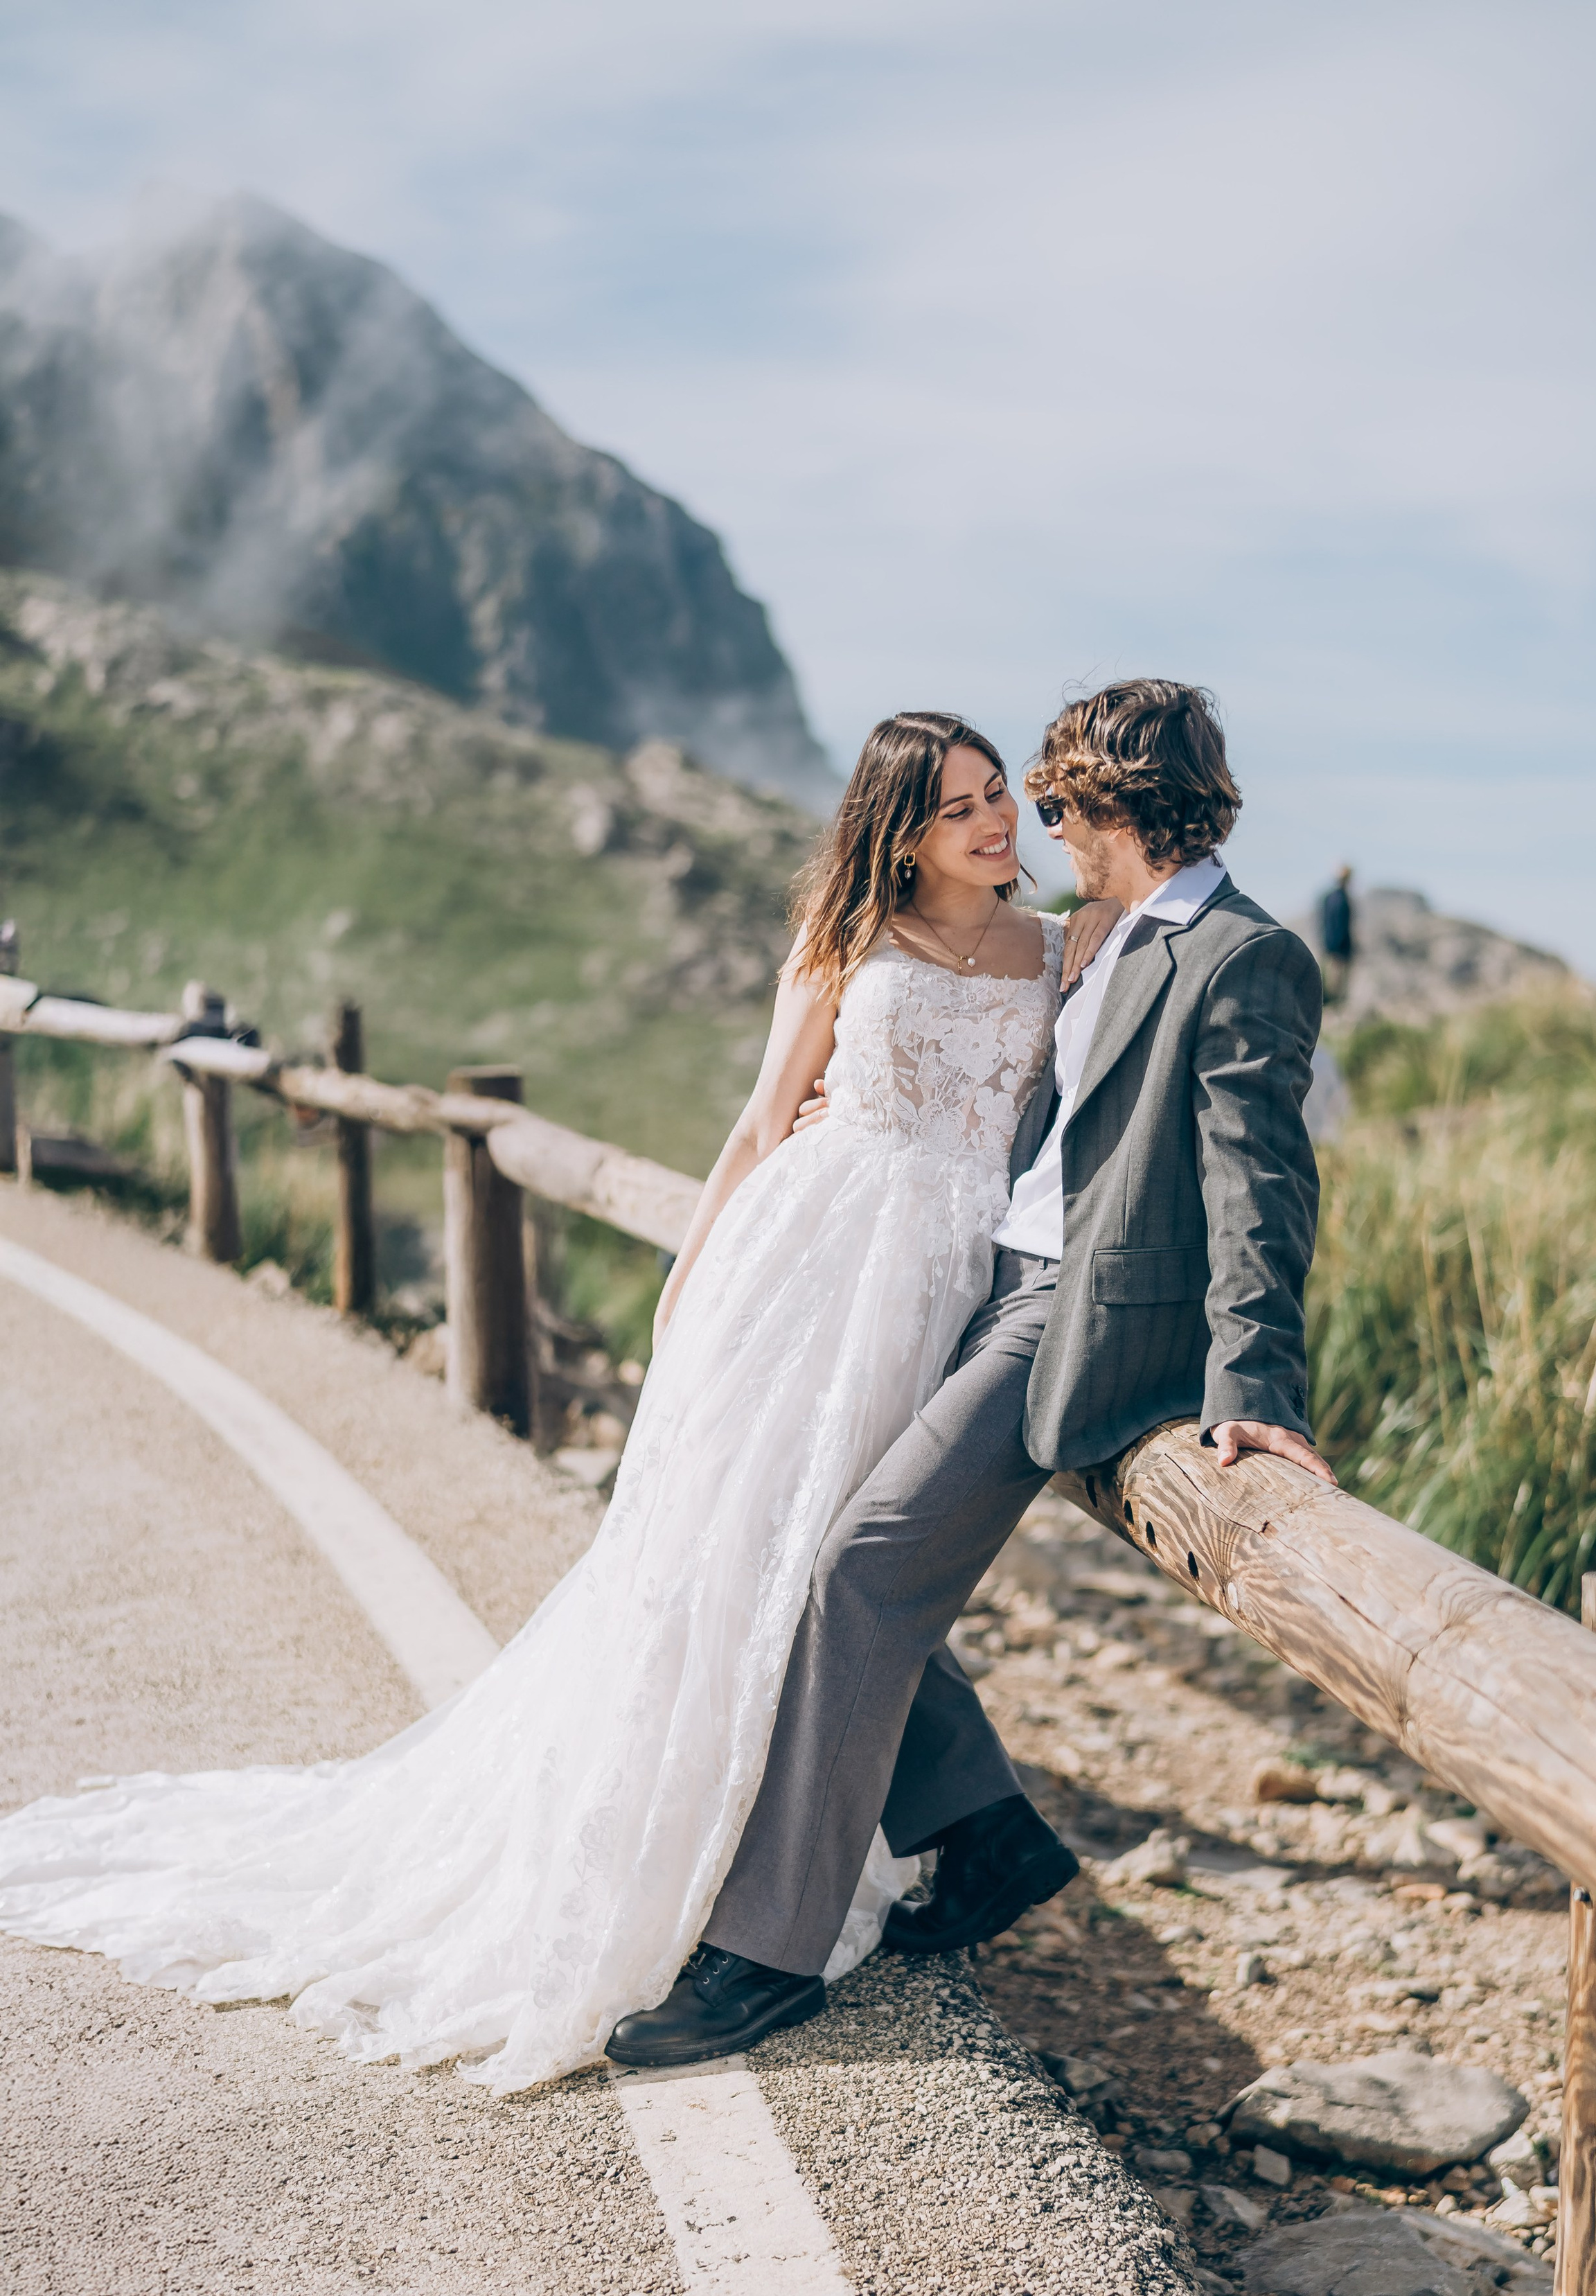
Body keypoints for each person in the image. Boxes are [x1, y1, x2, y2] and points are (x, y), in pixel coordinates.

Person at [0, 713, 1115, 2095]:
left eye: (997, 797)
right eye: (957, 810)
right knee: (739, 1548)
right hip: (807, 1266)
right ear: (898, 832)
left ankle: (920, 1832)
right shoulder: (845, 943)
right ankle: (730, 1866)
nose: (994, 825)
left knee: (834, 1558)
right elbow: (766, 1124)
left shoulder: (1057, 947)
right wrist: (691, 1276)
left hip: (948, 1278)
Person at [611, 678, 1333, 2069]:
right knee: (805, 1523)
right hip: (961, 1278)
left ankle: (761, 1953)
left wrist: (1254, 1385)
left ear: (1113, 806)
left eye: (1050, 801)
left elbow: (1259, 1186)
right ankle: (984, 1831)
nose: (1035, 825)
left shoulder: (1240, 955)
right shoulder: (1093, 938)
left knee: (860, 1568)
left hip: (1062, 1313)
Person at [1318, 865, 1355, 1005]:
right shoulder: (1341, 899)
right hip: (1338, 949)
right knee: (1336, 986)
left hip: (1331, 947)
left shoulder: (1329, 898)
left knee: (1334, 984)